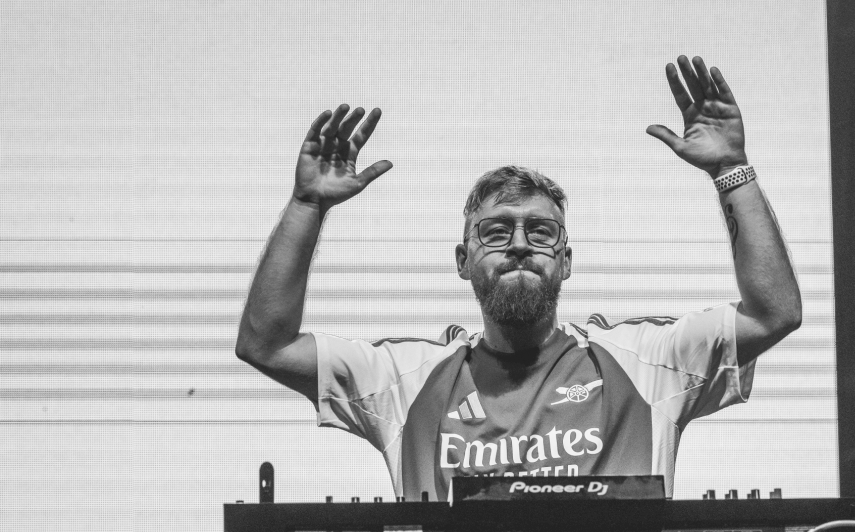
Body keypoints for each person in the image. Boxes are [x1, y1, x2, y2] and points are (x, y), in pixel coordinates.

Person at [235, 55, 801, 501]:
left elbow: (773, 313)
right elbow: (267, 344)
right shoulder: (403, 378)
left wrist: (731, 170)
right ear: (463, 261)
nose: (521, 245)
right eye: (497, 231)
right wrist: (307, 205)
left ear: (567, 261)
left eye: (541, 231)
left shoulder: (647, 361)